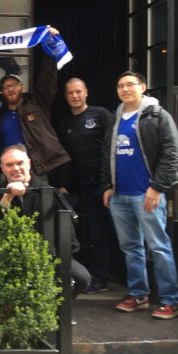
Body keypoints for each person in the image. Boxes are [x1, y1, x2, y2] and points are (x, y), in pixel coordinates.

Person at [102, 71, 178, 319]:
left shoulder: (156, 115)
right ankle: (138, 294)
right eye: (120, 85)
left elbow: (172, 152)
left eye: (130, 84)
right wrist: (108, 185)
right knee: (131, 248)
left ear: (143, 87)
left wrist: (157, 187)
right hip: (121, 195)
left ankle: (171, 300)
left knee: (158, 247)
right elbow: (108, 154)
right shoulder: (117, 118)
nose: (125, 89)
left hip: (147, 194)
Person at [0, 145, 91, 298]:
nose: (15, 168)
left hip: (49, 254)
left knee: (81, 278)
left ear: (29, 163)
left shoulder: (48, 191)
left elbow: (67, 231)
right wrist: (7, 197)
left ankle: (54, 313)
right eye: (9, 165)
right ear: (2, 168)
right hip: (11, 255)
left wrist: (52, 256)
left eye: (20, 163)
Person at [58, 78, 117, 294]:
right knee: (96, 233)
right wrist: (65, 184)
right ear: (65, 96)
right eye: (70, 93)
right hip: (84, 188)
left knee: (119, 232)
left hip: (107, 186)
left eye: (78, 92)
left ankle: (121, 275)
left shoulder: (101, 114)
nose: (75, 96)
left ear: (86, 93)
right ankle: (100, 278)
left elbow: (110, 149)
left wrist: (108, 182)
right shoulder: (65, 124)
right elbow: (68, 159)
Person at [0, 27, 71, 187]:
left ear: (22, 87)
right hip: (10, 168)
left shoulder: (37, 103)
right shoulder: (0, 115)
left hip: (38, 167)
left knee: (40, 208)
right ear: (2, 92)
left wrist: (48, 45)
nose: (10, 89)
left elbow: (47, 78)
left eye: (14, 85)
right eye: (6, 86)